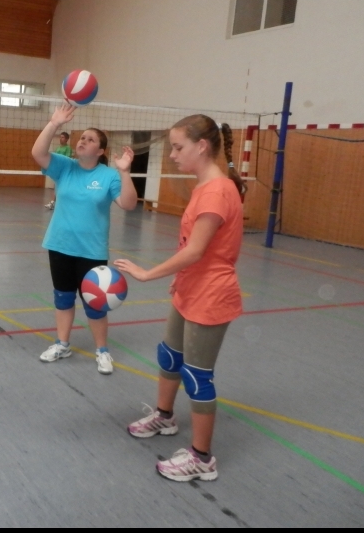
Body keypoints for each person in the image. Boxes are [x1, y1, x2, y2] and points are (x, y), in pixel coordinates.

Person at [114, 114, 245, 482]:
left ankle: (202, 459)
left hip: (211, 294)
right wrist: (178, 279)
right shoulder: (204, 186)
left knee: (197, 376)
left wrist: (146, 273)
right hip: (190, 288)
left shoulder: (217, 191)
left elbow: (195, 250)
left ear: (201, 146)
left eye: (177, 147)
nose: (172, 155)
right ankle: (165, 416)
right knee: (170, 356)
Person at [32, 103, 138, 374]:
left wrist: (125, 172)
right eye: (82, 137)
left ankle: (102, 351)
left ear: (100, 151)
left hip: (91, 250)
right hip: (59, 245)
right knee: (63, 298)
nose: (83, 141)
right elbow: (38, 153)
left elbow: (128, 204)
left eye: (90, 140)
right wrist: (54, 123)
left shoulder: (109, 175)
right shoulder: (64, 166)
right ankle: (62, 344)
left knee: (95, 304)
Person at [45, 131, 73, 209]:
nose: (61, 139)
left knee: (62, 187)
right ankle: (53, 203)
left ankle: (57, 203)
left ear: (67, 139)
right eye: (60, 137)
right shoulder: (58, 148)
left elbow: (67, 159)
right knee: (56, 186)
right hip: (58, 170)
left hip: (64, 171)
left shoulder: (68, 148)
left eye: (62, 137)